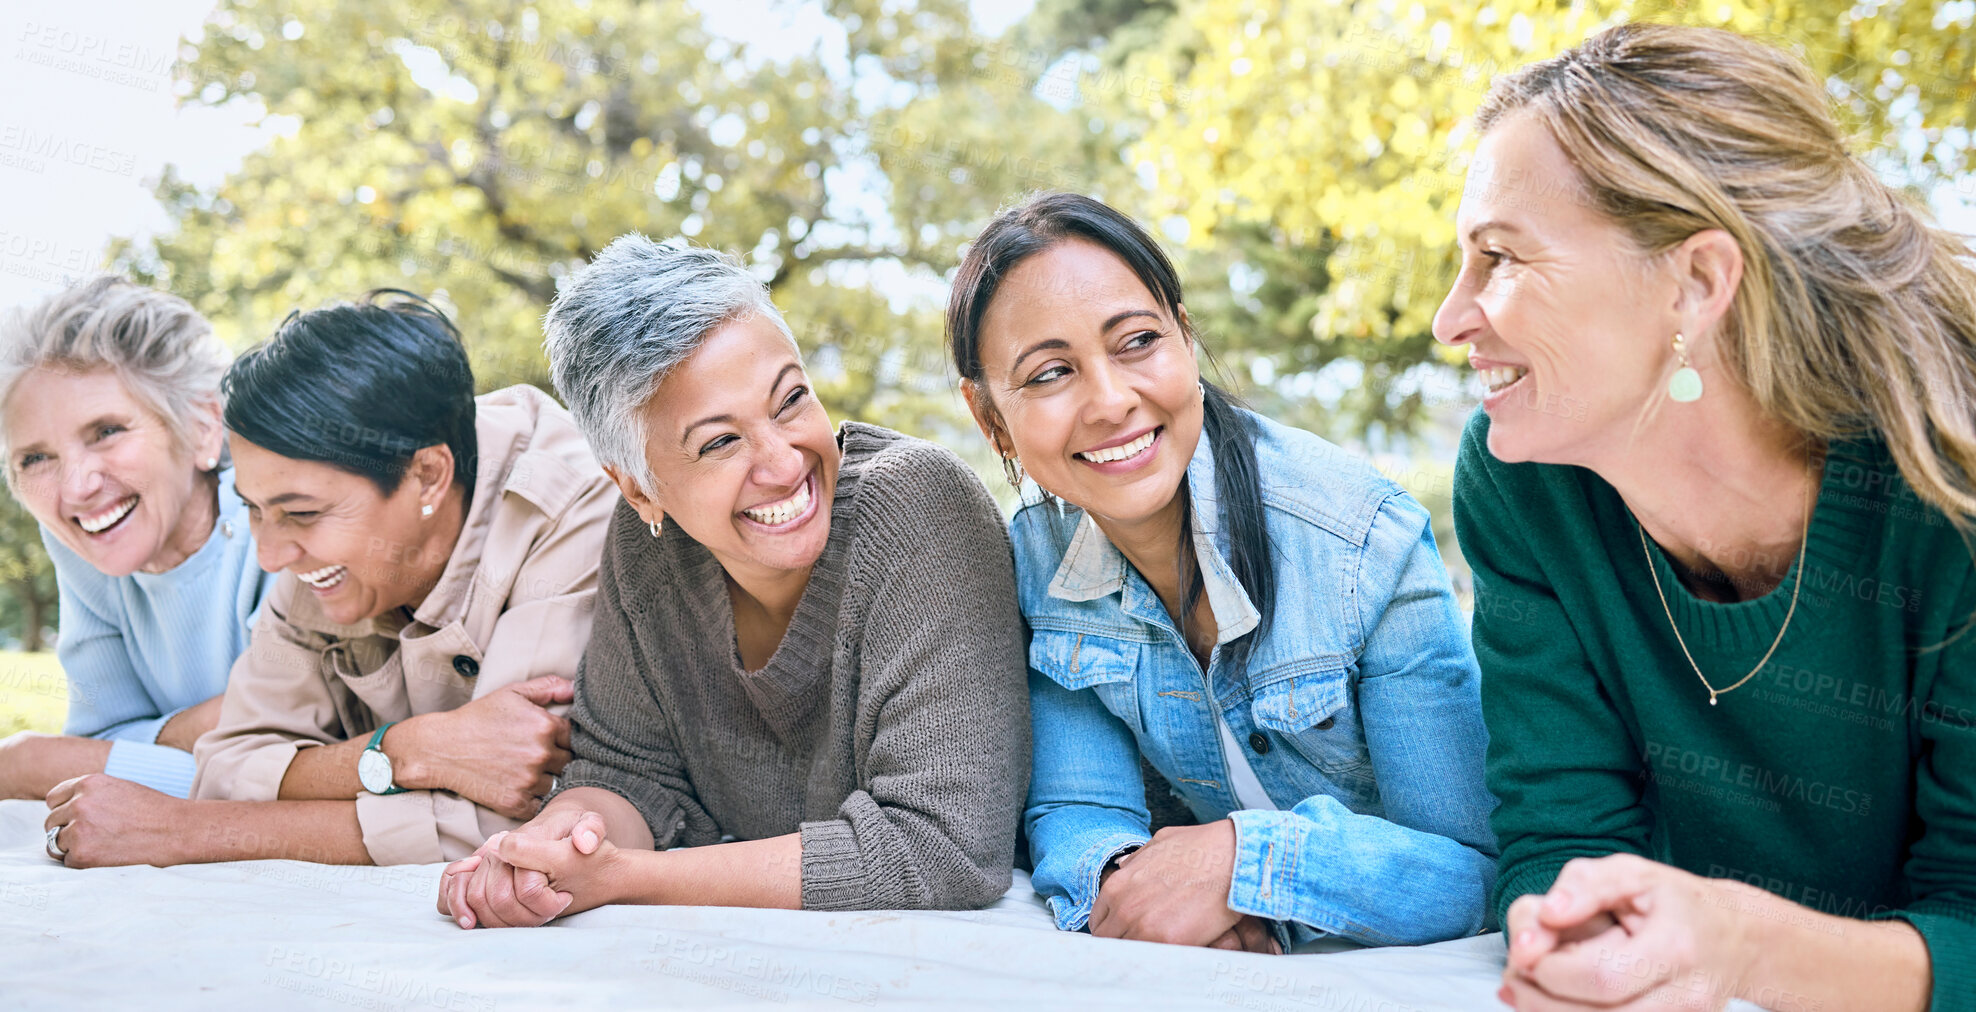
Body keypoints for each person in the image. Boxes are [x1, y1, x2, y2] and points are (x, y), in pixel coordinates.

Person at [1437, 24, 1976, 1011]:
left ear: (1693, 283)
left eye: (1499, 258)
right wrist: (1572, 940)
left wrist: (1736, 944)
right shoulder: (1521, 481)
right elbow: (1558, 834)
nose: (1450, 317)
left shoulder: (1948, 493)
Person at [949, 192, 1496, 954]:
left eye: (1138, 341)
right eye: (1049, 374)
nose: (1111, 402)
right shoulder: (1041, 558)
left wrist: (1245, 863)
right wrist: (1131, 884)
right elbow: (1080, 809)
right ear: (990, 418)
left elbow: (1475, 869)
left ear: (1184, 333)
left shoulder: (1360, 538)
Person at [435, 235, 1028, 928]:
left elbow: (944, 846)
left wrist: (627, 877)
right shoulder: (647, 546)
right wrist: (553, 846)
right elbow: (626, 775)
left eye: (791, 400)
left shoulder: (918, 508)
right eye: (719, 442)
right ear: (639, 491)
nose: (782, 463)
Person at [41, 291, 615, 868]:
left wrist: (183, 832)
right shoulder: (312, 531)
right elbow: (227, 763)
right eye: (255, 509)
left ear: (429, 476)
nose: (270, 555)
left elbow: (505, 820)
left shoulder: (568, 509)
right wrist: (408, 752)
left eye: (302, 513)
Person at [0, 276, 270, 801]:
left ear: (200, 427)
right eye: (36, 458)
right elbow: (100, 739)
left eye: (106, 431)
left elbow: (307, 743)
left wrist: (33, 764)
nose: (77, 488)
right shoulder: (82, 539)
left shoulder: (280, 513)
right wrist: (192, 731)